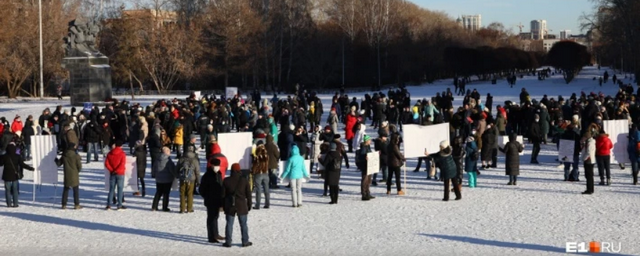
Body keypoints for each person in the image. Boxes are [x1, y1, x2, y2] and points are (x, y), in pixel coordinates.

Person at [223, 163, 252, 248]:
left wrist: (224, 206)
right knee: (243, 224)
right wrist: (249, 204)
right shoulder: (244, 180)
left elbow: (223, 195)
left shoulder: (226, 180)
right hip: (242, 205)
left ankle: (228, 242)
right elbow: (248, 195)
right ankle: (245, 241)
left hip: (230, 205)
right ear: (239, 170)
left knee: (229, 224)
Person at [200, 158, 225, 243]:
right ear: (212, 165)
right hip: (210, 200)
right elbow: (201, 189)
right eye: (216, 165)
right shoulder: (207, 176)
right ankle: (211, 236)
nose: (217, 167)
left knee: (216, 217)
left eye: (218, 165)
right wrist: (207, 196)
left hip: (218, 200)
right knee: (211, 218)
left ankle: (216, 233)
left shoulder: (219, 174)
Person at [60, 123, 82, 209]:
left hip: (67, 174)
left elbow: (58, 163)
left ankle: (64, 204)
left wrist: (55, 159)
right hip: (74, 175)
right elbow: (79, 167)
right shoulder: (76, 156)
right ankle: (76, 204)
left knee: (66, 189)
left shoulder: (64, 155)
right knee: (75, 190)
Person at [177, 145, 201, 213]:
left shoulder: (182, 158)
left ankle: (182, 209)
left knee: (182, 193)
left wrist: (177, 176)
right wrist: (198, 181)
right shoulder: (195, 159)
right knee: (190, 194)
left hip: (182, 178)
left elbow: (177, 168)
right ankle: (189, 208)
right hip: (191, 179)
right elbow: (197, 171)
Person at [152, 147, 176, 212]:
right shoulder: (168, 160)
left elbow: (154, 167)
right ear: (166, 152)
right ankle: (165, 207)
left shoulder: (157, 158)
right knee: (166, 194)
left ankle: (154, 206)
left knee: (158, 192)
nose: (170, 152)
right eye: (169, 151)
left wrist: (154, 175)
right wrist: (175, 175)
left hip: (159, 179)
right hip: (167, 179)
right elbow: (172, 169)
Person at [105, 140, 127, 210]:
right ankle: (119, 204)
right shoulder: (122, 153)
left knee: (111, 189)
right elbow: (122, 164)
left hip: (112, 174)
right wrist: (117, 170)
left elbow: (106, 164)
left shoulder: (109, 153)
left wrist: (112, 170)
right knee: (120, 189)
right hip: (120, 173)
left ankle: (109, 204)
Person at [251, 143, 270, 209]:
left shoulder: (257, 157)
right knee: (266, 189)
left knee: (258, 190)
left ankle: (257, 205)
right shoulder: (267, 156)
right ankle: (267, 204)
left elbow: (255, 166)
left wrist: (252, 171)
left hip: (258, 174)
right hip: (266, 173)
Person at [357, 135, 375, 201]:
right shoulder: (364, 147)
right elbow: (362, 156)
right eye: (369, 140)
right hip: (365, 166)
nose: (370, 141)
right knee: (365, 180)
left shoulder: (367, 146)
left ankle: (368, 193)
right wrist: (365, 157)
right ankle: (364, 194)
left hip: (369, 166)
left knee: (368, 180)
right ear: (367, 141)